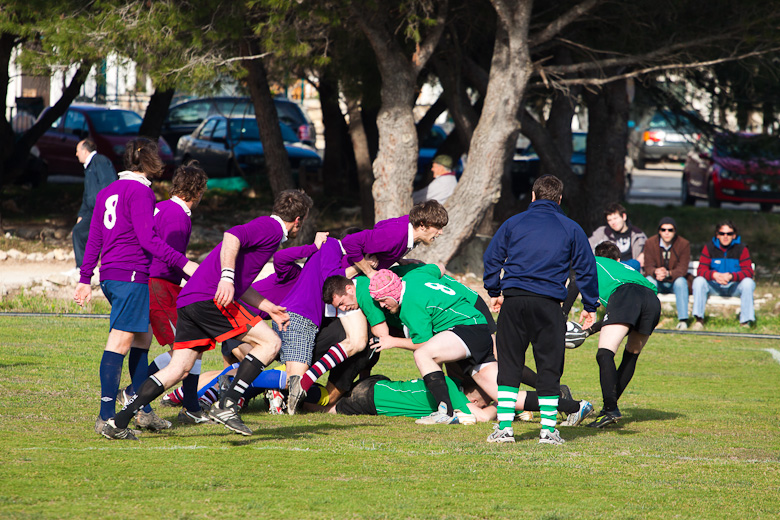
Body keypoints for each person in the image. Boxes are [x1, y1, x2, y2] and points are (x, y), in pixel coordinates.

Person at [101, 189, 312, 440]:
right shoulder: (272, 228)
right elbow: (232, 235)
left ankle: (117, 422)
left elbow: (241, 286)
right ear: (298, 220)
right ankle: (228, 404)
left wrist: (269, 307)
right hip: (208, 299)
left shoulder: (269, 232)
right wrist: (227, 277)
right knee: (271, 342)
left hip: (190, 300)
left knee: (178, 368)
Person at [74, 138, 199, 437]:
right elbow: (148, 239)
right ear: (150, 160)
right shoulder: (141, 191)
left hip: (113, 275)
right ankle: (107, 417)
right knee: (119, 343)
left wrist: (85, 278)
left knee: (142, 340)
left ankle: (143, 410)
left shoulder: (108, 191)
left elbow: (94, 238)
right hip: (130, 275)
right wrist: (185, 264)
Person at [483, 174, 598, 445]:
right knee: (549, 367)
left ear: (533, 196)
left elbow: (492, 258)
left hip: (514, 301)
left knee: (509, 365)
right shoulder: (571, 228)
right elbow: (586, 268)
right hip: (548, 305)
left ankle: (504, 429)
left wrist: (494, 291)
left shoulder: (513, 223)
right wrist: (590, 305)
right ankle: (547, 431)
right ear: (560, 199)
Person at [126, 162, 209, 426]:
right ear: (197, 190)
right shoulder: (178, 215)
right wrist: (197, 280)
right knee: (187, 345)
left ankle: (189, 405)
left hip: (157, 282)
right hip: (159, 284)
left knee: (191, 344)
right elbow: (168, 257)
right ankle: (138, 393)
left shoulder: (162, 207)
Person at [367, 268, 495, 425]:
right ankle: (515, 406)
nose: (381, 305)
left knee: (423, 355)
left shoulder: (410, 305)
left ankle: (446, 412)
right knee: (504, 394)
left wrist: (392, 342)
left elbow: (423, 342)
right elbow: (439, 267)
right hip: (475, 322)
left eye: (383, 300)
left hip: (467, 327)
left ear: (393, 292)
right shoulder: (414, 275)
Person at [586, 241, 660, 428]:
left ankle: (610, 409)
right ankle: (608, 409)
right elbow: (620, 317)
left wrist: (564, 314)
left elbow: (622, 308)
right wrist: (590, 330)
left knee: (605, 354)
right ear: (618, 259)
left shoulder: (593, 262)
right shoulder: (627, 269)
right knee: (631, 354)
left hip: (627, 295)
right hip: (652, 300)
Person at [341, 200, 448, 278]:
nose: (441, 232)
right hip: (350, 279)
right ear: (422, 225)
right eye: (438, 227)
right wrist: (369, 271)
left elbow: (380, 225)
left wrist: (398, 259)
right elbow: (349, 242)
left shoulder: (408, 223)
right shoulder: (394, 235)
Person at [691, 220, 755, 329]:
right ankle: (699, 320)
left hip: (734, 286)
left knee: (748, 283)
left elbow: (748, 272)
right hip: (714, 286)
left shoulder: (742, 249)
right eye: (722, 233)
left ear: (734, 235)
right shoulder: (709, 248)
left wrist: (731, 276)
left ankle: (745, 322)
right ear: (717, 235)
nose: (725, 236)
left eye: (729, 234)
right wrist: (714, 275)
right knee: (698, 281)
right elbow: (701, 270)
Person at [72, 139, 117, 269]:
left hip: (104, 210)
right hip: (92, 211)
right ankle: (82, 267)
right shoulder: (89, 167)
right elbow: (87, 195)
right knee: (78, 231)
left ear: (85, 151)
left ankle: (108, 268)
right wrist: (81, 214)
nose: (76, 154)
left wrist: (107, 210)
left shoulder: (100, 161)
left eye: (77, 151)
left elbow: (109, 185)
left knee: (105, 240)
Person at [642, 217, 691, 330]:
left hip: (674, 281)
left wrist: (668, 273)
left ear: (675, 231)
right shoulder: (650, 243)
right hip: (657, 279)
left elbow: (682, 269)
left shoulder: (683, 244)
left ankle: (683, 320)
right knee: (649, 281)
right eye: (663, 230)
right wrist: (656, 271)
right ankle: (647, 319)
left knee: (681, 282)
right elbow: (648, 266)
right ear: (659, 231)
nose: (667, 233)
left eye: (670, 230)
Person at [588, 203, 647, 270]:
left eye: (615, 218)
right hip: (609, 270)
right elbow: (587, 248)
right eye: (609, 220)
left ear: (624, 217)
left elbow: (649, 255)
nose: (613, 222)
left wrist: (644, 255)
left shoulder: (638, 235)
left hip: (632, 272)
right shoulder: (602, 233)